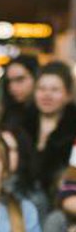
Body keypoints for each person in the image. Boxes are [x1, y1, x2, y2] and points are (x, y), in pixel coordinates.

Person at [21, 60, 76, 200]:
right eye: (42, 89)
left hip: (61, 201)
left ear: (68, 95)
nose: (47, 95)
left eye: (55, 90)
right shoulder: (21, 124)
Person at [0, 55, 39, 134]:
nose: (13, 87)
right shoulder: (10, 113)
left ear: (36, 78)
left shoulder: (44, 112)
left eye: (20, 79)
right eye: (9, 81)